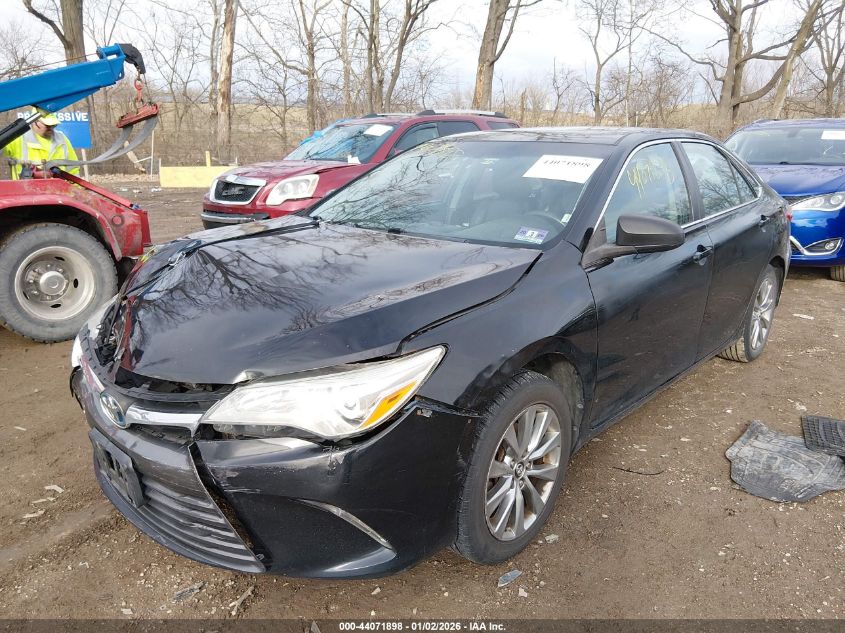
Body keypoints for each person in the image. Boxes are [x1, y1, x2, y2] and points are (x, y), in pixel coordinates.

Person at [2, 110, 79, 179]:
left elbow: (73, 169)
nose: (51, 128)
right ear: (35, 122)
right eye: (47, 125)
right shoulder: (18, 138)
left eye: (53, 125)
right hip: (25, 192)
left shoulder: (62, 139)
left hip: (57, 192)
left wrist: (76, 191)